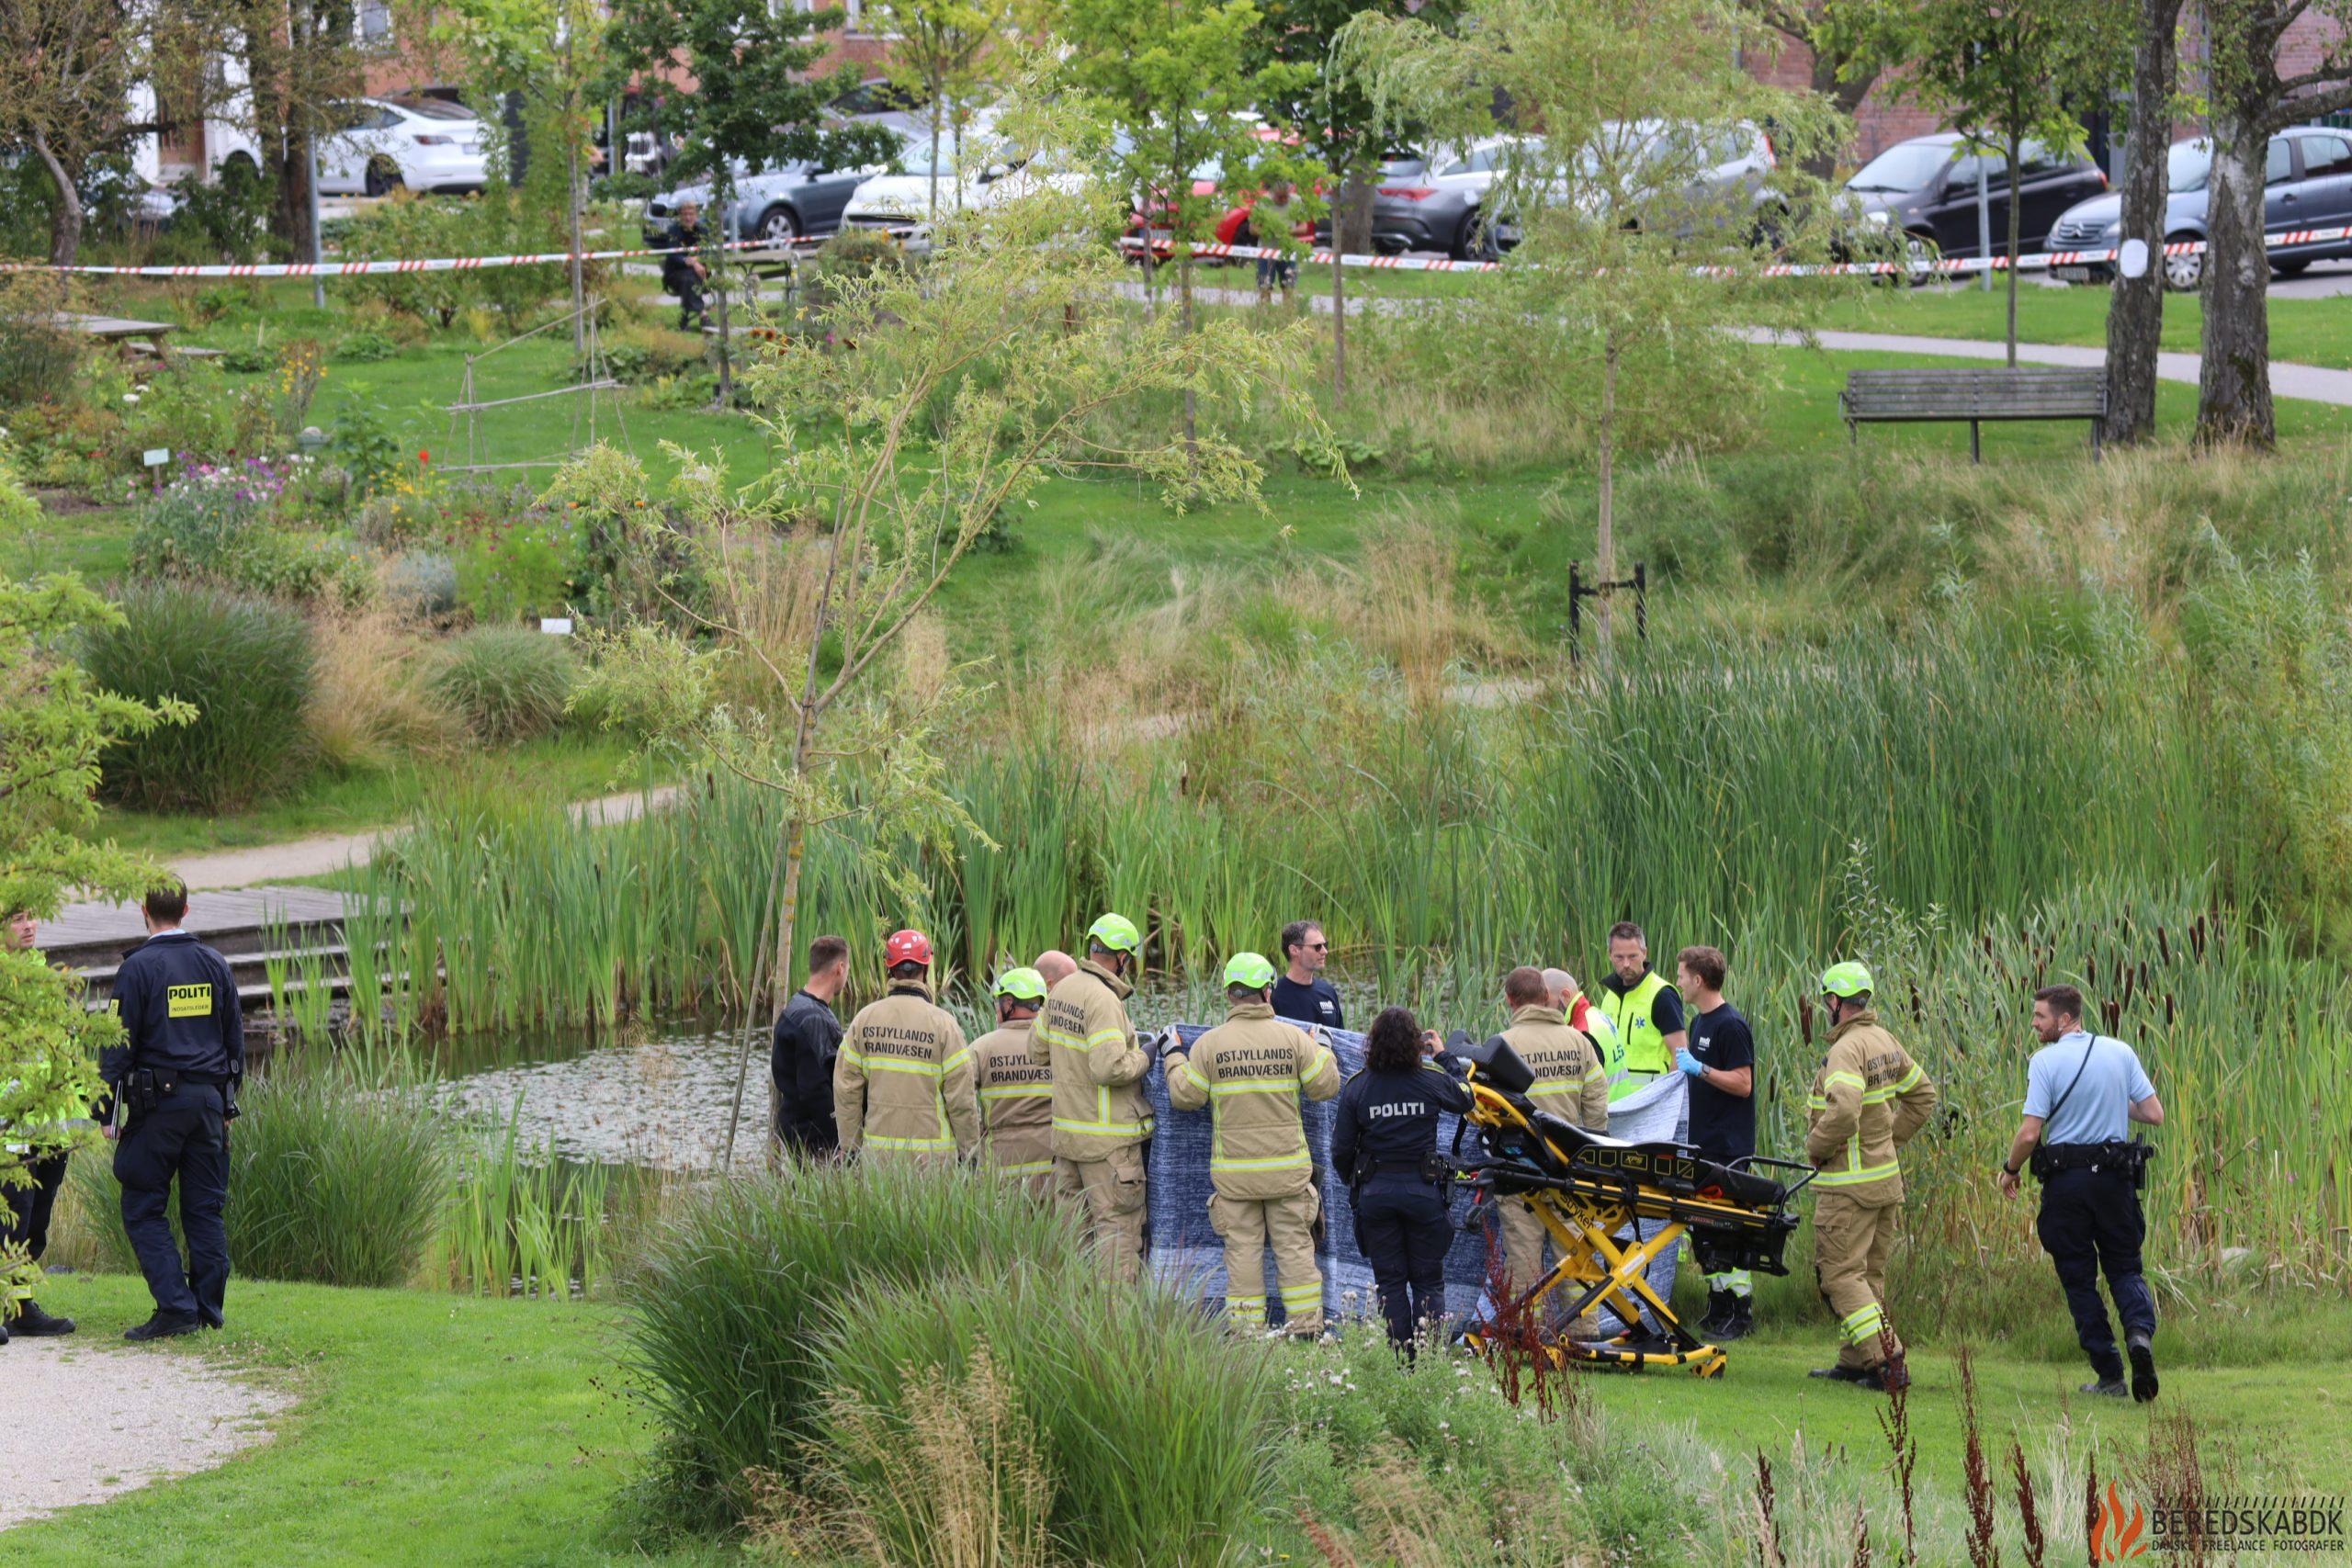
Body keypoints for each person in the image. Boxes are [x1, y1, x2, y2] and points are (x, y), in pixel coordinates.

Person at [1997, 985, 2163, 1403]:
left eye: (2040, 1017)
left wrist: (2010, 1170)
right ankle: (2140, 1336)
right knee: (2125, 1268)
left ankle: (2110, 1374)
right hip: (2115, 1181)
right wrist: (2110, 1098)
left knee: (2078, 1279)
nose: (2034, 1024)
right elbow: (2152, 1113)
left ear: (2065, 1019)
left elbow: (2031, 1131)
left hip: (2068, 1184)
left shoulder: (2045, 1061)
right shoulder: (2120, 1052)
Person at [1165, 953, 1341, 1335]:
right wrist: (1324, 1047)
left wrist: (1172, 1056)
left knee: (1242, 1255)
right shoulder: (1292, 1038)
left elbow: (1185, 1096)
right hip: (1287, 1174)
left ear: (1229, 993)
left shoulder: (1210, 1045)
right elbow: (1325, 1086)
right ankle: (1307, 1329)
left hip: (1235, 1178)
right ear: (1268, 991)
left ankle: (1248, 1335)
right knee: (1295, 1250)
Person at [105, 881, 242, 1342]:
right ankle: (207, 1311)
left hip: (158, 1108)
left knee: (143, 1207)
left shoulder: (137, 969)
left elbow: (116, 1046)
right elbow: (234, 1042)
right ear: (186, 909)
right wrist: (228, 1103)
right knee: (205, 1212)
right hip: (207, 1105)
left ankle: (176, 1308)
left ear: (143, 910)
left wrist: (106, 1110)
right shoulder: (215, 964)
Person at [1804, 962, 1936, 1393]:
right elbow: (1923, 1095)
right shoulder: (1884, 1040)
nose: (1826, 1007)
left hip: (1848, 1188)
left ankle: (1888, 1362)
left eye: (1828, 1000)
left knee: (1840, 1276)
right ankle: (1857, 1359)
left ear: (1837, 1002)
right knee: (1867, 1277)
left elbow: (1843, 1111)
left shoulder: (1846, 1049)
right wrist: (1888, 1142)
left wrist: (1816, 1147)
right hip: (1883, 1184)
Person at [1331, 1006, 1472, 1353]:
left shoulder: (1358, 1087)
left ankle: (1401, 1358)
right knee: (1428, 1282)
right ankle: (1428, 1361)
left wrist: (1358, 1183)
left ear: (1372, 1043)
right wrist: (1445, 1056)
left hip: (1377, 1195)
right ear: (1416, 1044)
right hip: (1423, 1192)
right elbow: (1466, 1098)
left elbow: (1340, 1150)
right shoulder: (1431, 1080)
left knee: (1390, 1283)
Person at [1033, 914, 1155, 1280]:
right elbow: (1109, 1068)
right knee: (1117, 1232)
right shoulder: (1103, 999)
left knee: (1074, 1236)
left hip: (1068, 1141)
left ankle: (1074, 1316)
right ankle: (1113, 1323)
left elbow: (1036, 1050)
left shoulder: (1062, 991)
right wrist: (1146, 1055)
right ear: (1121, 957)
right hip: (1108, 1146)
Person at [1492, 964, 1610, 1314]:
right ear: (1547, 997)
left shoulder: (1503, 1046)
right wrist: (1590, 1157)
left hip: (1520, 1172)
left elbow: (1486, 1110)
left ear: (1510, 1000)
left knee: (1524, 1261)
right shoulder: (1579, 1042)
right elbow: (1597, 1106)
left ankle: (1528, 1335)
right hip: (1569, 1170)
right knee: (1576, 1253)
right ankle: (1583, 1334)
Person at [833, 929, 979, 1164]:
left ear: (889, 969)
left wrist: (851, 1149)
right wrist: (970, 1153)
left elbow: (846, 1091)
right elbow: (961, 1100)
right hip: (934, 1162)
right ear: (927, 968)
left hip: (878, 1160)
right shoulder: (944, 1025)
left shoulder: (864, 1020)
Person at [1674, 944, 1757, 1340]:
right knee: (1703, 1229)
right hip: (1701, 1143)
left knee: (1727, 1229)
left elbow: (1743, 1084)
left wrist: (1701, 1068)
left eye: (1681, 975)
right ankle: (1718, 1304)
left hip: (1728, 1145)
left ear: (1698, 980)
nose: (1678, 982)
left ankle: (1740, 1313)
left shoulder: (1730, 1025)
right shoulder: (1698, 1023)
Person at [2, 908, 77, 1342]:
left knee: (36, 1223)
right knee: (9, 1220)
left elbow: (66, 1046)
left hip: (51, 1126)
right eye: (17, 919)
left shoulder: (48, 978)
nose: (29, 926)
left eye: (31, 917)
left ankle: (22, 1306)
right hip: (10, 1128)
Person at [972, 967, 1056, 1196]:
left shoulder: (981, 1048)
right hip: (1053, 1163)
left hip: (1000, 1164)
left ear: (1009, 1003)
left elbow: (959, 1099)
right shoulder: (1057, 1044)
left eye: (998, 1002)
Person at [771, 935, 848, 1161]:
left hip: (795, 1130)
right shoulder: (813, 1019)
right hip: (814, 1143)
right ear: (840, 968)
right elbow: (816, 1091)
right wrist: (840, 1141)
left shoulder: (797, 1005)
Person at [1596, 922, 1687, 1102]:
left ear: (1644, 953)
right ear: (1610, 956)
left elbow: (1680, 1052)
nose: (1626, 964)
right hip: (1615, 1103)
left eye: (1633, 956)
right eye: (1619, 957)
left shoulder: (1662, 995)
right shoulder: (1609, 997)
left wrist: (1667, 1102)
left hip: (1652, 1103)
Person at [1542, 966, 1623, 1089]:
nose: (1542, 1011)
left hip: (1607, 1106)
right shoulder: (1596, 1014)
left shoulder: (1583, 1032)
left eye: (1545, 1004)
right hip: (1618, 1102)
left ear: (1565, 995)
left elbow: (1582, 1090)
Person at [1271, 920, 1343, 1031]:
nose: (1325, 951)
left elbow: (1341, 1037)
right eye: (1317, 946)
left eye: (1325, 945)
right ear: (1294, 950)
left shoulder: (1328, 991)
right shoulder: (1273, 994)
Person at [1250, 180, 1311, 303]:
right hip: (1266, 251)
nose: (1284, 199)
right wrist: (1269, 231)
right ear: (1272, 193)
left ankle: (1287, 317)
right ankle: (1265, 315)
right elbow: (1252, 228)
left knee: (1289, 288)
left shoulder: (1297, 201)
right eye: (1280, 196)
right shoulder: (1262, 202)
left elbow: (1304, 227)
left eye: (1286, 196)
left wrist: (1288, 232)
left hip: (1289, 251)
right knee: (1265, 287)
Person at [662, 200, 711, 332]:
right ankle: (704, 316)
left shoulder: (702, 230)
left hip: (700, 274)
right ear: (680, 216)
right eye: (685, 214)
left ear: (696, 215)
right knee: (689, 279)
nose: (688, 218)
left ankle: (684, 319)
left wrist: (699, 259)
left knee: (692, 278)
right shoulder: (673, 231)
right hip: (675, 274)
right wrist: (692, 262)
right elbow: (672, 255)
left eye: (691, 214)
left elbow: (708, 251)